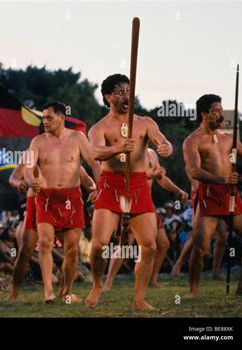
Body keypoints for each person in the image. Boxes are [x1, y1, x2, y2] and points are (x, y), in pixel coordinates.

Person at [85, 74, 173, 310]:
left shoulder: (144, 122)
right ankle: (96, 284)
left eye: (128, 90)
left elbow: (163, 141)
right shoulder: (99, 127)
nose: (126, 95)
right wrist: (118, 148)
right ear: (107, 97)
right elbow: (95, 153)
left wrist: (165, 147)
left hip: (138, 184)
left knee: (150, 245)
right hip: (110, 184)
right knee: (99, 245)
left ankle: (139, 298)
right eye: (119, 91)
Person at [24, 101, 100, 304]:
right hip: (46, 197)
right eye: (43, 118)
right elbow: (28, 168)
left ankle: (66, 291)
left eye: (49, 117)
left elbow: (94, 163)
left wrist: (98, 188)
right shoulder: (37, 141)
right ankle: (48, 291)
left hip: (71, 197)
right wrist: (32, 181)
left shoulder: (77, 138)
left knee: (72, 249)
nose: (45, 121)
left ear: (62, 118)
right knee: (46, 242)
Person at [183, 93, 242, 298]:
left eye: (221, 111)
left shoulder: (228, 138)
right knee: (200, 247)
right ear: (203, 113)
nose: (219, 115)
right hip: (209, 195)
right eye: (215, 111)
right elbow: (194, 171)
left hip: (231, 195)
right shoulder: (192, 141)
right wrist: (222, 180)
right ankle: (193, 291)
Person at [102, 148, 188, 291]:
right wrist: (153, 174)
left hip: (147, 203)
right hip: (130, 201)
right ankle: (108, 282)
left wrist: (177, 190)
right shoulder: (127, 152)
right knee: (125, 244)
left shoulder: (151, 153)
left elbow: (161, 178)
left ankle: (152, 280)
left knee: (163, 243)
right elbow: (126, 176)